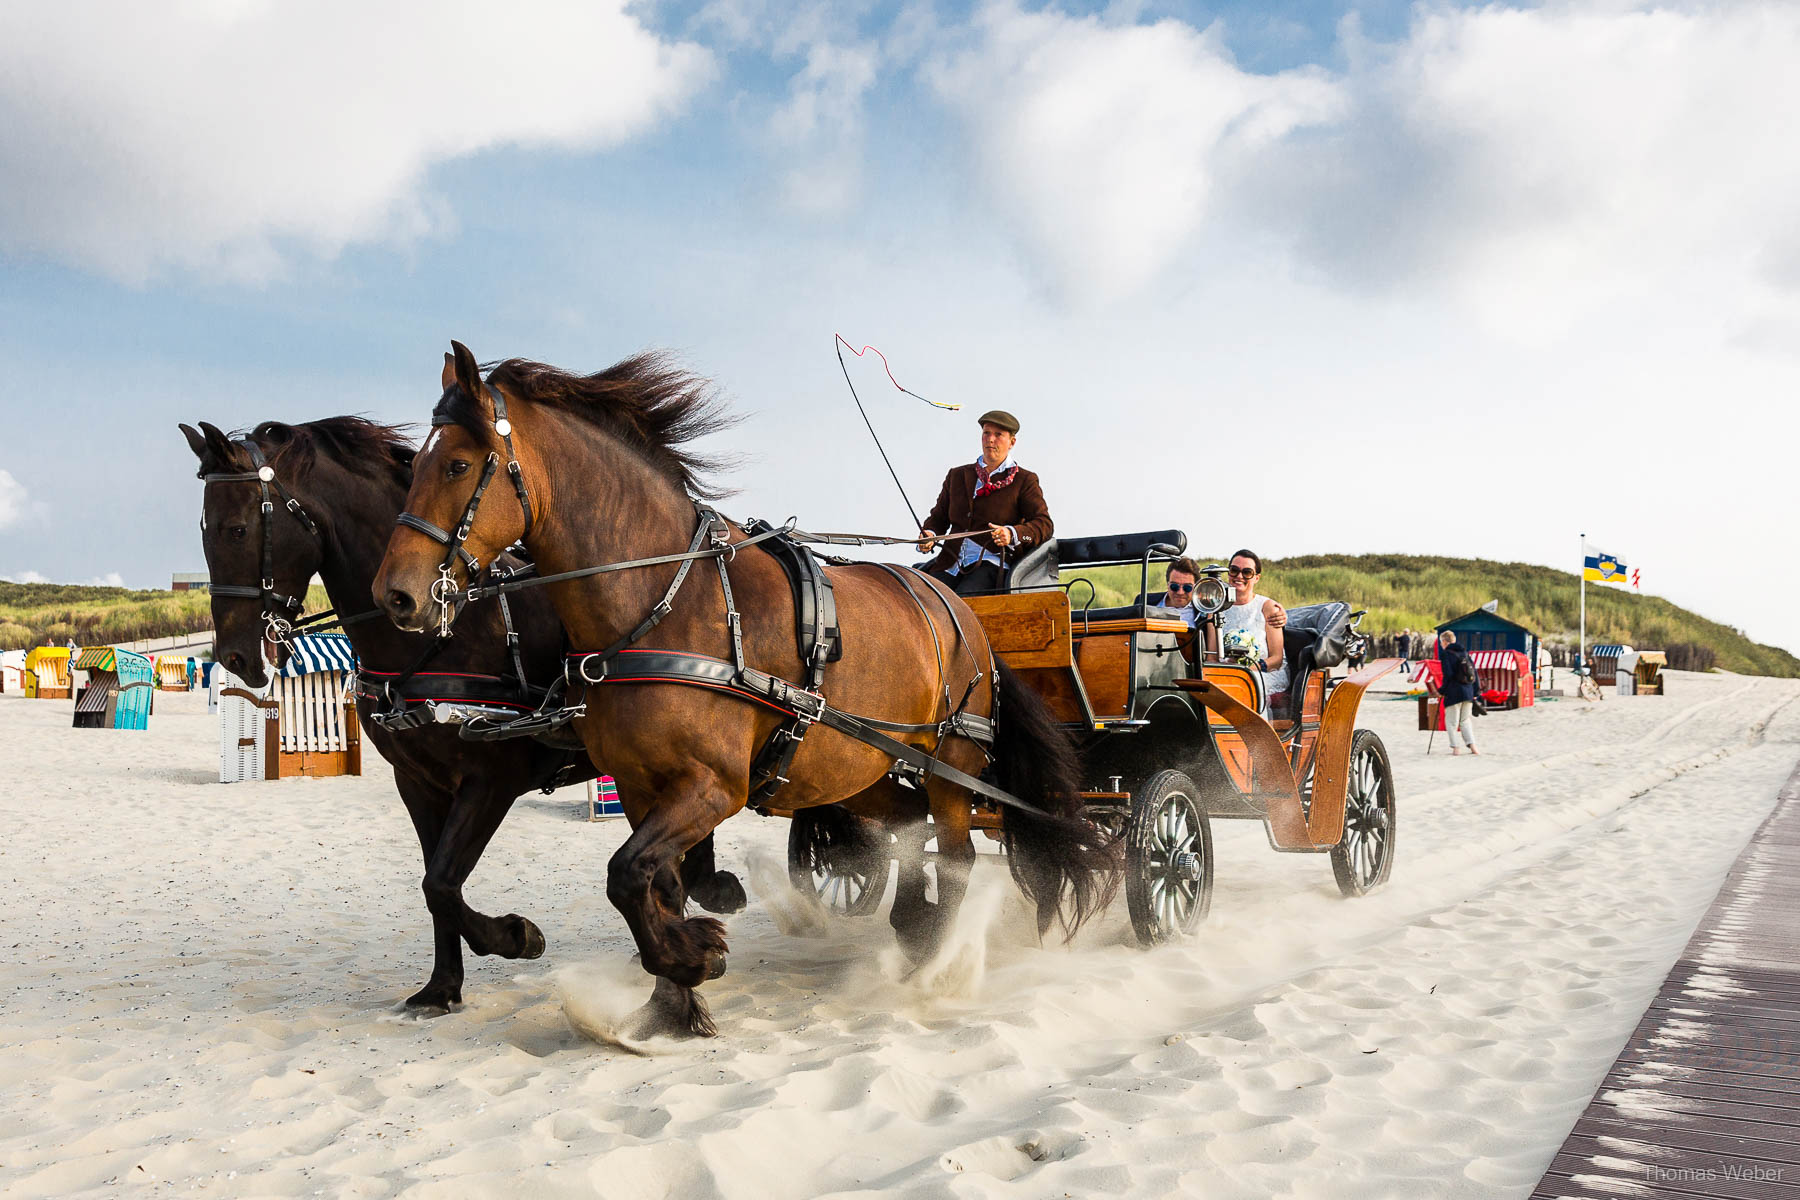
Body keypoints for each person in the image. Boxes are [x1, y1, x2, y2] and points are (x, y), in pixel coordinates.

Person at [919, 410, 1053, 596]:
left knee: (963, 601)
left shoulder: (1024, 480)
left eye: (998, 435)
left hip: (992, 565)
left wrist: (1012, 533)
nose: (990, 439)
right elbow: (939, 517)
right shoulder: (956, 476)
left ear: (1012, 442)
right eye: (986, 433)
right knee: (921, 598)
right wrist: (930, 534)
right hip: (949, 563)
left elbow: (1044, 524)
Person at [1204, 549, 1287, 706]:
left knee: (1245, 686)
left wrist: (1249, 669)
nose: (1239, 576)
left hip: (1263, 672)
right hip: (1227, 672)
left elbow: (1276, 660)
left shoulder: (1268, 607)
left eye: (1247, 572)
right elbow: (1212, 657)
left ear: (1256, 578)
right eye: (1234, 571)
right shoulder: (1215, 608)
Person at [1435, 630, 1480, 755]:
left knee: (1451, 722)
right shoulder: (1465, 653)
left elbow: (1448, 675)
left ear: (1445, 641)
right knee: (1465, 720)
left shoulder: (1446, 654)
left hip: (1454, 692)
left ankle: (1456, 748)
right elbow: (1474, 673)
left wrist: (1442, 690)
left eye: (1441, 642)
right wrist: (1476, 691)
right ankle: (1473, 747)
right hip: (1468, 691)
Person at [1150, 557, 1203, 628]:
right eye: (1174, 586)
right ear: (1167, 585)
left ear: (1196, 588)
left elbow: (1213, 639)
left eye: (1187, 587)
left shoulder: (1202, 611)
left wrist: (1210, 612)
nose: (1180, 592)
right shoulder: (1146, 602)